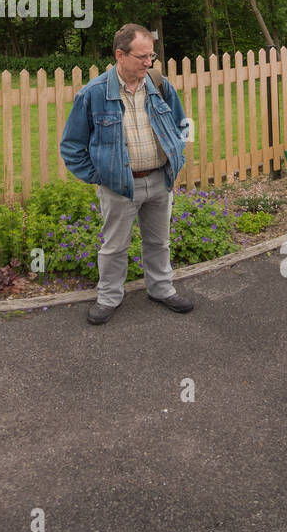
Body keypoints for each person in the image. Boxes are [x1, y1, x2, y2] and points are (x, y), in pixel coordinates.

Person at [58, 24, 193, 325]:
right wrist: (100, 176)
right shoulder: (93, 94)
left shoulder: (158, 84)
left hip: (160, 179)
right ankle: (109, 297)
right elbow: (71, 146)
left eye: (151, 56)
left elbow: (183, 124)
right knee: (115, 247)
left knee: (159, 242)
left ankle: (161, 289)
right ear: (120, 55)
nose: (149, 63)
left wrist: (177, 155)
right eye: (142, 57)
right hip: (119, 186)